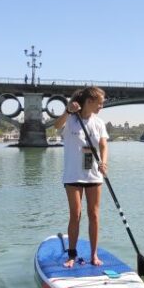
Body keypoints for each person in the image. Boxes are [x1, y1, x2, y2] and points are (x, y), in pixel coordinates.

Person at [54, 86, 109, 267]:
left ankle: (94, 255)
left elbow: (103, 146)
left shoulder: (99, 123)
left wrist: (103, 161)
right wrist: (67, 110)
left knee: (94, 214)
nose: (101, 106)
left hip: (93, 174)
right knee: (75, 215)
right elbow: (56, 125)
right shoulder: (70, 120)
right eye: (100, 102)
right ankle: (71, 255)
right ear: (89, 101)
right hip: (73, 175)